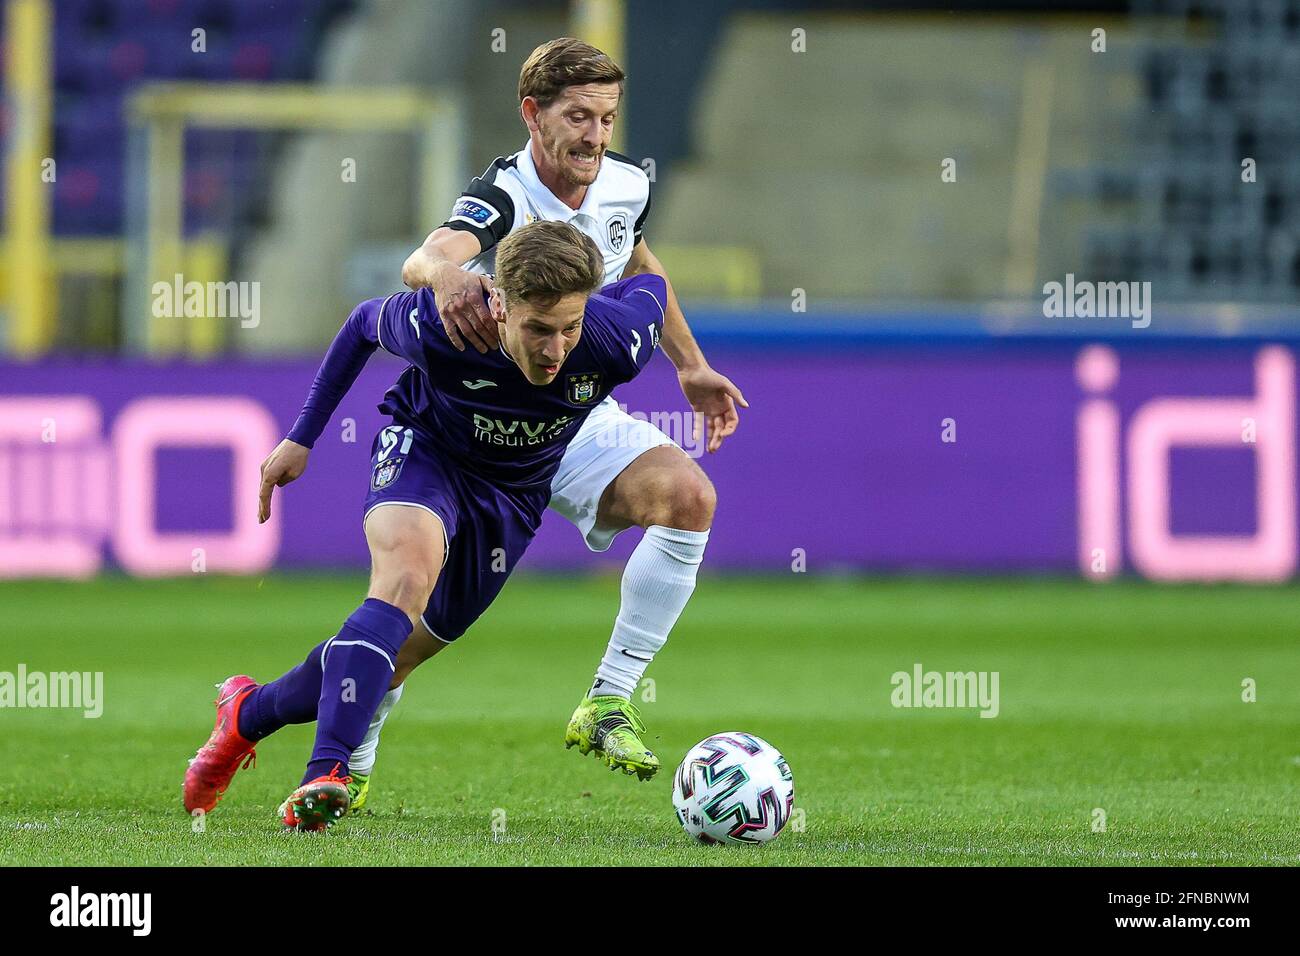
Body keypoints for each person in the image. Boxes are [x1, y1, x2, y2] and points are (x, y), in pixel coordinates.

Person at [349, 37, 747, 808]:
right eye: (577, 116)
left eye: (606, 116)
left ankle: (608, 701)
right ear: (533, 115)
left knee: (689, 499)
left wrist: (689, 365)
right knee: (419, 620)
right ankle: (354, 748)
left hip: (575, 414)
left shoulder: (627, 183)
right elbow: (427, 256)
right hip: (481, 427)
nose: (595, 136)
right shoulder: (503, 192)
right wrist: (447, 275)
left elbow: (638, 267)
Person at [183, 221, 666, 830]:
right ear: (499, 302)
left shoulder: (617, 341)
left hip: (512, 499)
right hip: (426, 453)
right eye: (538, 329)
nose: (554, 349)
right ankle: (325, 774)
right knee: (402, 582)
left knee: (393, 660)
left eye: (569, 327)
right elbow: (363, 323)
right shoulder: (449, 325)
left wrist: (636, 228)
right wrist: (301, 438)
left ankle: (246, 714)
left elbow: (650, 283)